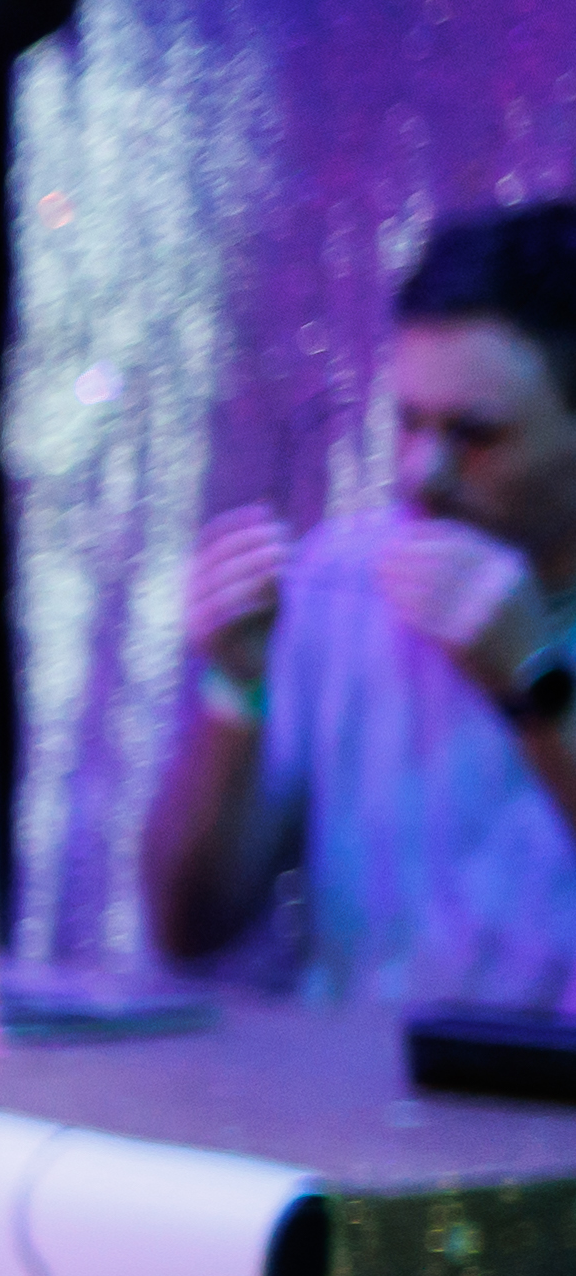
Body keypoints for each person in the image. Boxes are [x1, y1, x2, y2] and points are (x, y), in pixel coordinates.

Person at [148, 201, 576, 1003]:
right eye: (407, 423)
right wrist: (234, 691)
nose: (421, 473)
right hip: (358, 1082)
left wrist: (537, 692)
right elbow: (188, 929)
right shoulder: (344, 579)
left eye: (475, 435)